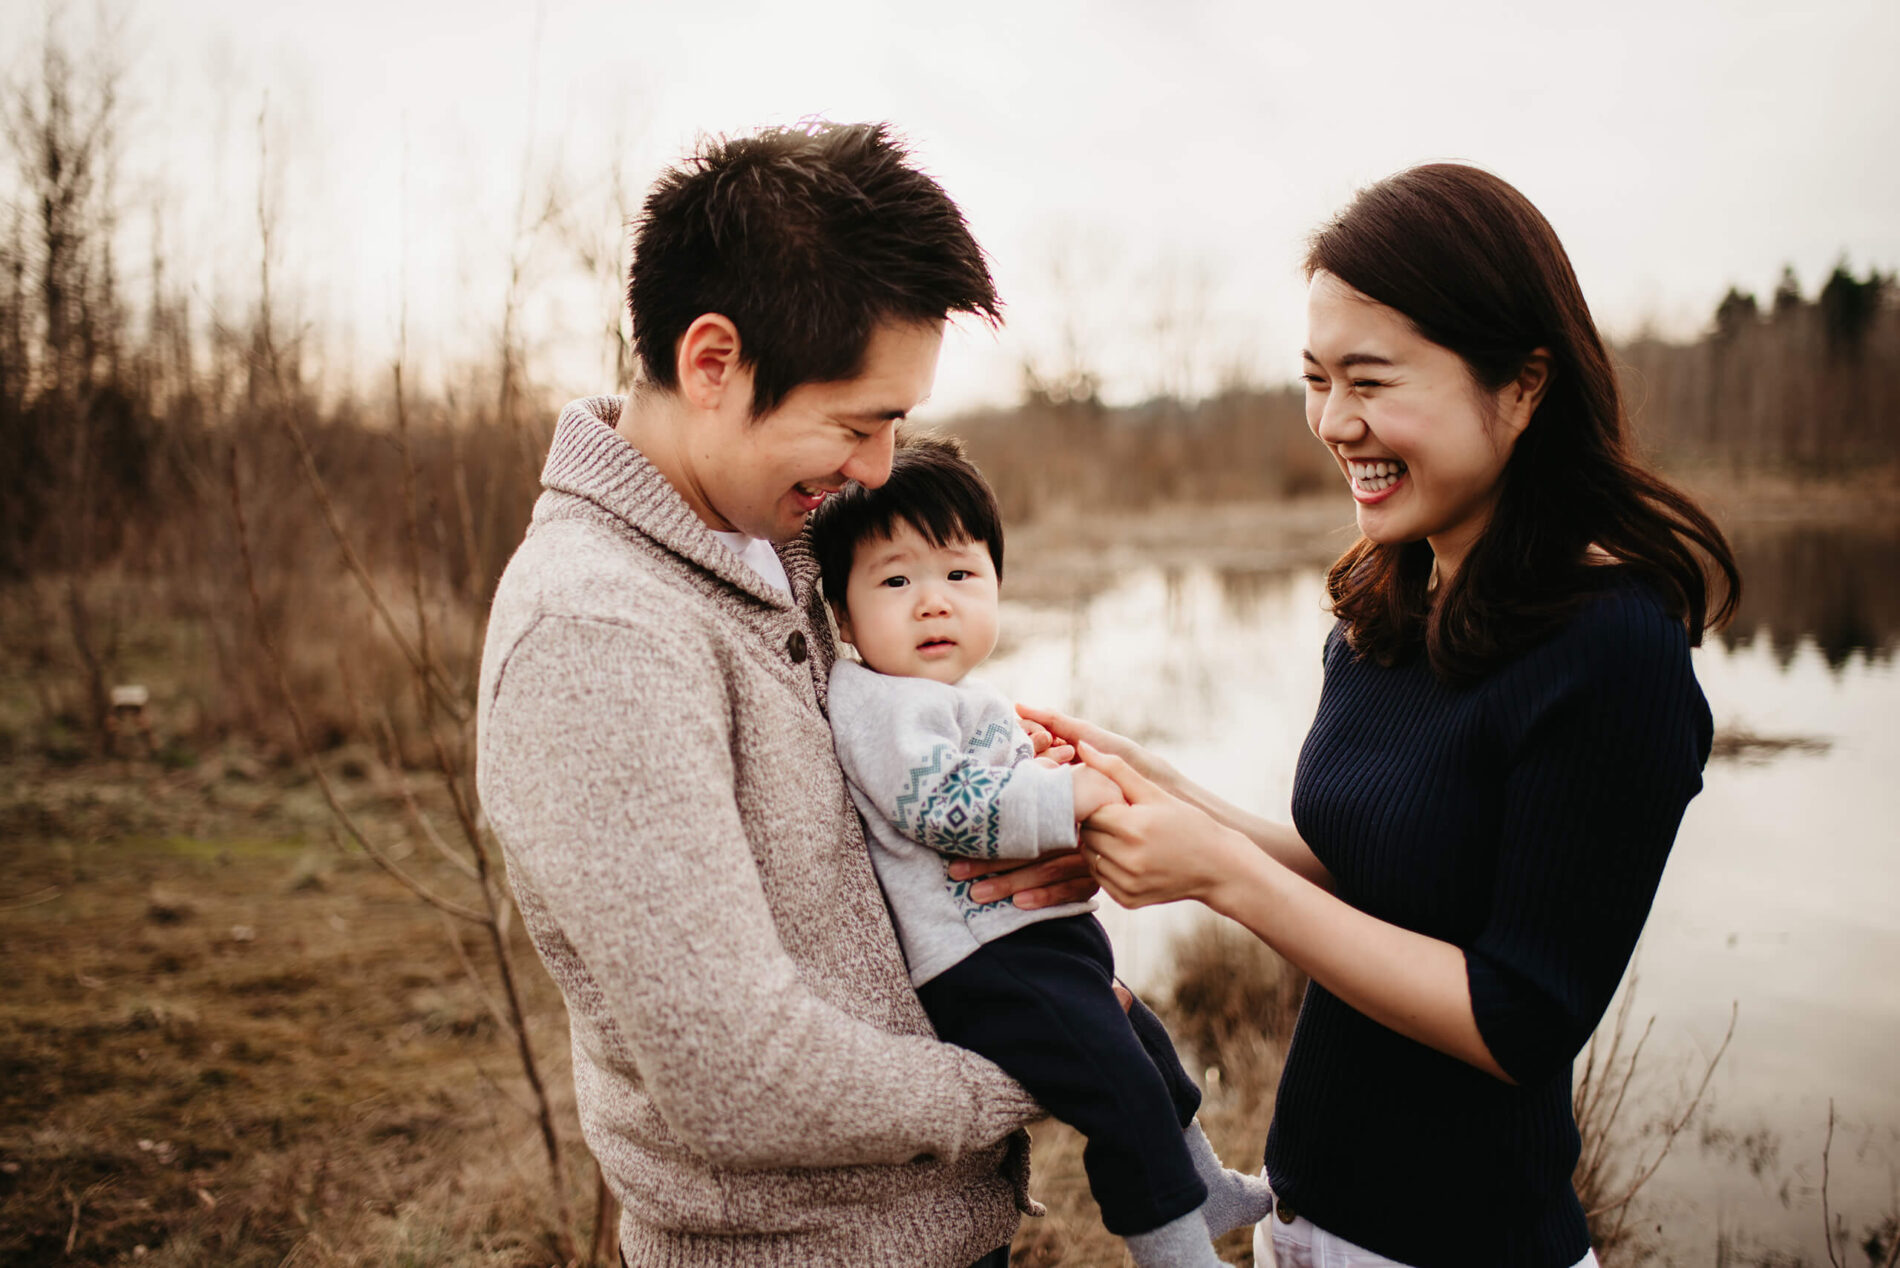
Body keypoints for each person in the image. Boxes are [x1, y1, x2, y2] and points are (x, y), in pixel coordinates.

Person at [994, 164, 1742, 1268]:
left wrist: (1220, 874)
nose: (1335, 422)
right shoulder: (1386, 607)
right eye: (1314, 378)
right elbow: (1375, 880)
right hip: (1306, 1220)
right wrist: (1161, 788)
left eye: (1371, 380)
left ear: (1524, 384)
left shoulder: (1612, 650)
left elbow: (1516, 1020)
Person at [475, 121, 1094, 1268]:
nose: (876, 465)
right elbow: (740, 1074)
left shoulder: (772, 551)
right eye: (857, 421)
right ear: (713, 362)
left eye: (896, 423)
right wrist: (1049, 1061)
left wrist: (1010, 836)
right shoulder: (598, 633)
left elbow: (852, 837)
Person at [807, 435, 1276, 1268]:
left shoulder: (951, 697)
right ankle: (1171, 1248)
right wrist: (1065, 798)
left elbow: (987, 782)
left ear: (996, 584)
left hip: (1029, 944)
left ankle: (1202, 1185)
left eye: (959, 574)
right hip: (981, 963)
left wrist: (1043, 768)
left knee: (1145, 1043)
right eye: (895, 580)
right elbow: (944, 806)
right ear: (842, 613)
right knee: (1117, 1086)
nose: (932, 603)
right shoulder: (875, 703)